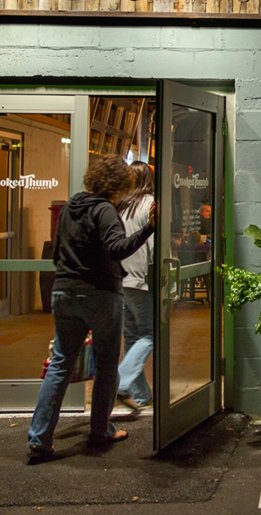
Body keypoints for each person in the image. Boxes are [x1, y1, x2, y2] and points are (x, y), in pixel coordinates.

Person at [28, 155, 156, 461]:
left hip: (64, 293)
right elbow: (118, 249)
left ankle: (39, 438)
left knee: (60, 365)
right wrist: (149, 228)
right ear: (118, 184)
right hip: (100, 295)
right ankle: (100, 430)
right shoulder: (105, 210)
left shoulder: (70, 209)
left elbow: (57, 254)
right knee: (107, 364)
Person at [115, 161, 155, 412]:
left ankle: (141, 395)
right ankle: (121, 379)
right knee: (151, 334)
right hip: (140, 280)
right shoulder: (150, 204)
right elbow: (153, 245)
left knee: (131, 336)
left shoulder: (119, 206)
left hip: (119, 280)